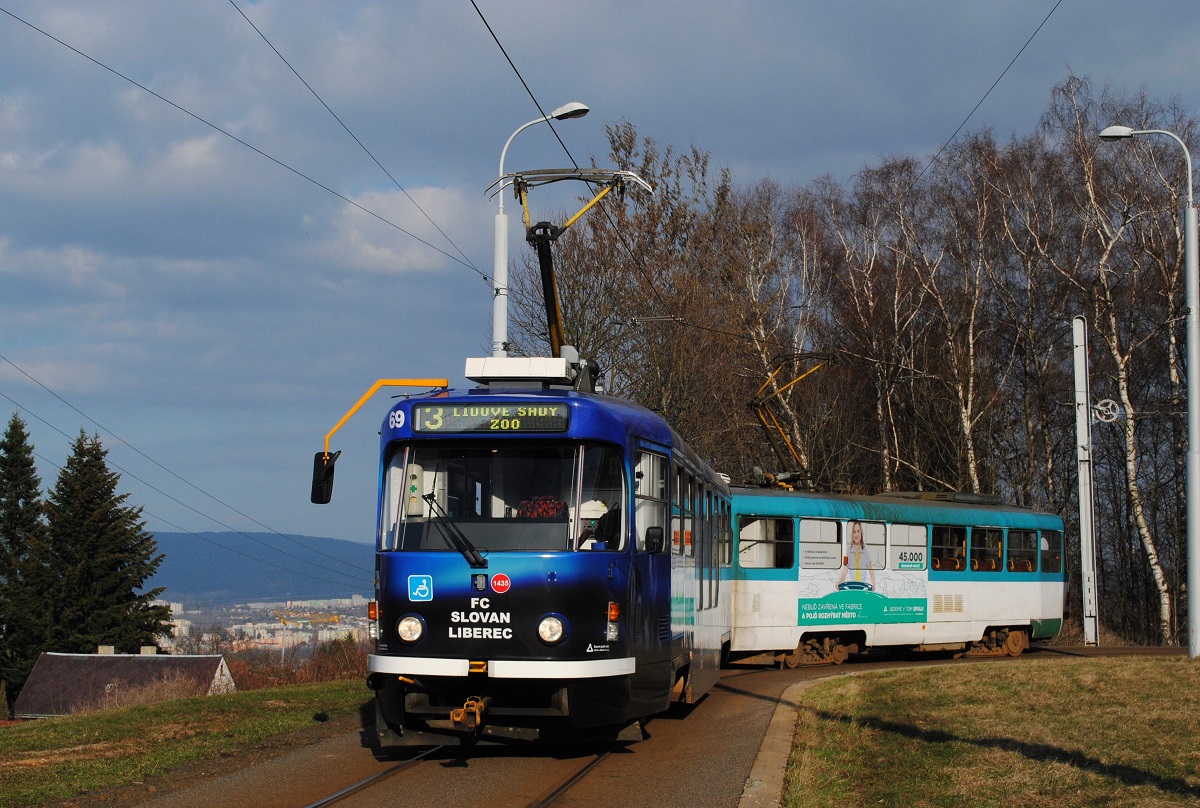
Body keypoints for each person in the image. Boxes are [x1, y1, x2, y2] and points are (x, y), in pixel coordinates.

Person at [837, 521, 876, 590]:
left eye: (858, 531)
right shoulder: (848, 552)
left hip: (863, 587)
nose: (856, 534)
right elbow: (844, 571)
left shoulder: (865, 552)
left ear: (861, 533)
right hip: (852, 587)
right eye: (854, 532)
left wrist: (873, 584)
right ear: (852, 534)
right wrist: (839, 582)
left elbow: (871, 572)